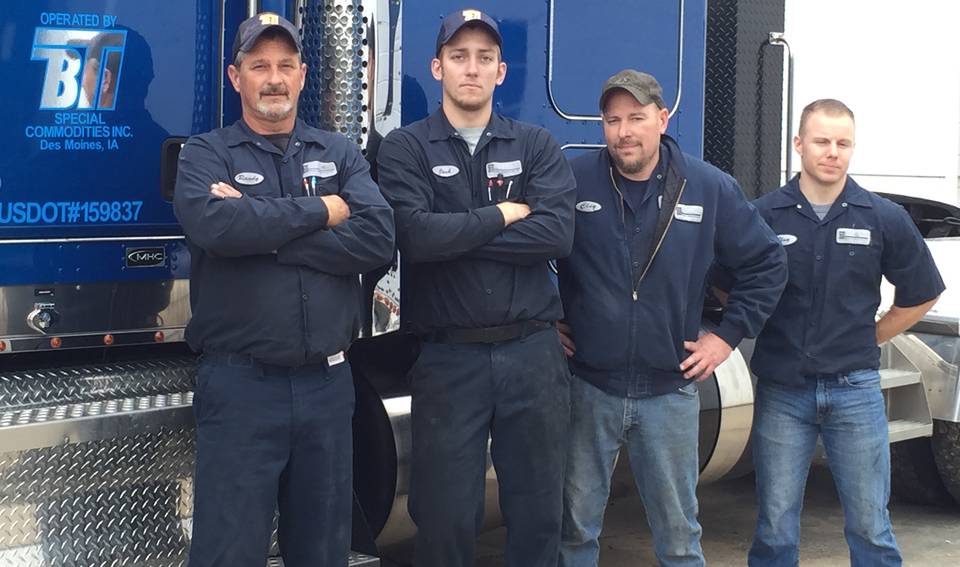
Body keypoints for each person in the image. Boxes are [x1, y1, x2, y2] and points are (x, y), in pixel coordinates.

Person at [173, 12, 394, 567]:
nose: (273, 78)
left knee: (321, 551)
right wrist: (324, 210)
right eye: (259, 66)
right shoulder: (206, 153)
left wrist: (264, 230)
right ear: (235, 76)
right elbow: (215, 228)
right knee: (230, 550)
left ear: (301, 76)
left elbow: (378, 239)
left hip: (328, 387)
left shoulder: (339, 152)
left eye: (285, 66)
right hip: (242, 387)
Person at [556, 69, 787, 567]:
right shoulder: (574, 181)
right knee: (574, 529)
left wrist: (726, 337)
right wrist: (545, 317)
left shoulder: (706, 187)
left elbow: (767, 262)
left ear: (662, 119)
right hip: (589, 388)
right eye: (612, 120)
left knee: (679, 537)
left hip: (669, 393)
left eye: (636, 117)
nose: (624, 131)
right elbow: (533, 255)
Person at [376, 8, 576, 567]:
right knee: (444, 516)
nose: (472, 69)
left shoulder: (536, 144)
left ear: (501, 72)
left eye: (484, 58)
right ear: (437, 67)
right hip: (449, 360)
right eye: (459, 57)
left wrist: (457, 230)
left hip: (531, 355)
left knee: (538, 512)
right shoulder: (406, 148)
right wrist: (505, 214)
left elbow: (556, 235)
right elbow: (414, 238)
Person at [744, 99, 944, 566]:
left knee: (870, 525)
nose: (832, 152)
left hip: (855, 391)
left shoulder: (881, 216)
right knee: (774, 525)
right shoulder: (763, 215)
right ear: (799, 144)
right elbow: (725, 281)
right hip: (783, 392)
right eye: (821, 141)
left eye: (843, 143)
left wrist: (872, 336)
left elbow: (922, 292)